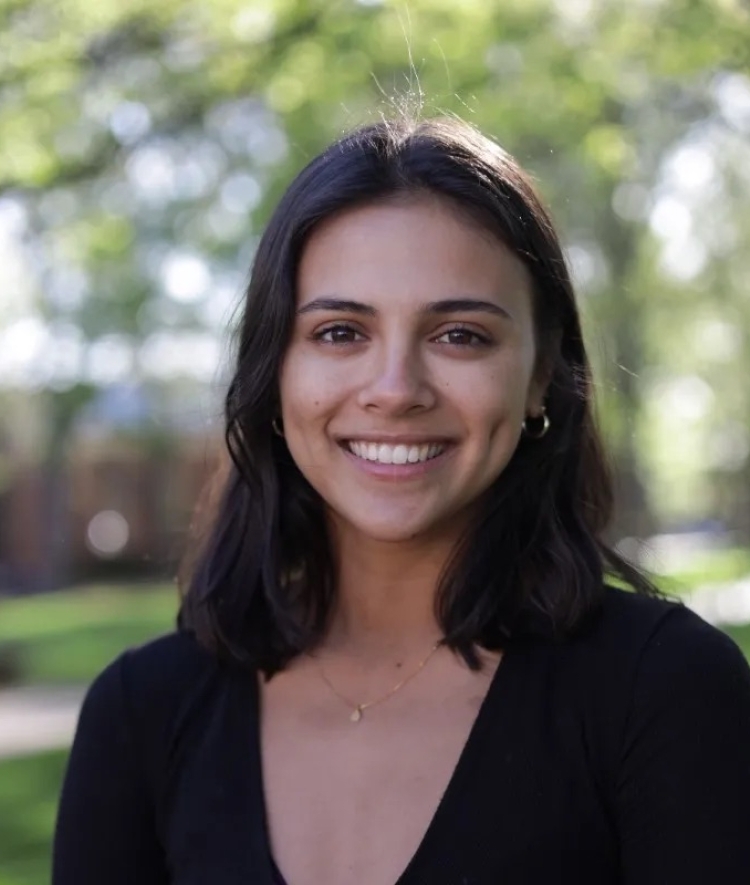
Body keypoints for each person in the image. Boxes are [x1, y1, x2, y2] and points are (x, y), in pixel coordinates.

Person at [53, 116, 750, 885]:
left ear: (542, 371)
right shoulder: (142, 714)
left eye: (459, 335)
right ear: (274, 372)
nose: (395, 391)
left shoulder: (666, 691)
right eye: (341, 331)